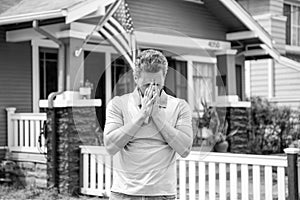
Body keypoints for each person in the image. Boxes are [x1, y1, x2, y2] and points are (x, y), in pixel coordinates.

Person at [103, 49, 193, 200]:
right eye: (147, 84)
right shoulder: (118, 104)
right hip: (124, 194)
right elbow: (111, 146)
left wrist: (157, 117)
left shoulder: (180, 106)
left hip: (163, 194)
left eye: (157, 84)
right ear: (136, 78)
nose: (153, 89)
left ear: (164, 77)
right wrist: (142, 115)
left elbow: (185, 149)